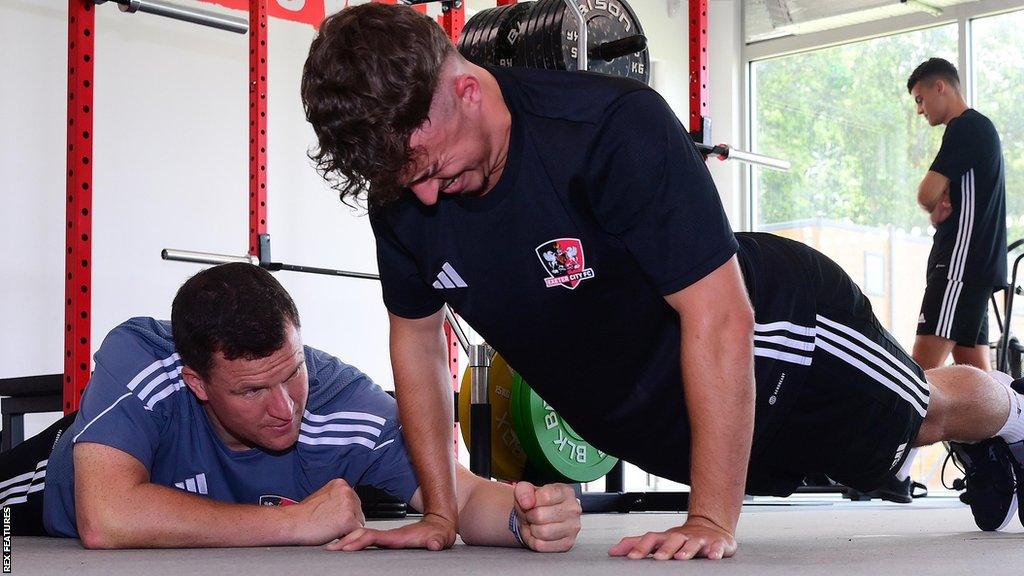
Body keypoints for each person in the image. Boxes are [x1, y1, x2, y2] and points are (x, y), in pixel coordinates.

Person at [300, 3, 1024, 560]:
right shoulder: (400, 200)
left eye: (429, 167)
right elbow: (419, 345)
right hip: (650, 412)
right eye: (405, 180)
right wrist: (439, 510)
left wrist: (710, 517)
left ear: (464, 89)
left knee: (917, 412)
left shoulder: (607, 129)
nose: (424, 198)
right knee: (856, 466)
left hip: (777, 334)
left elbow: (721, 317)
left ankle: (1012, 417)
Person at [0, 263, 582, 552]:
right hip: (33, 497)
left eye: (292, 373)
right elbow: (105, 518)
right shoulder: (143, 358)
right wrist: (293, 522)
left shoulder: (341, 399)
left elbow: (461, 498)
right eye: (252, 391)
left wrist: (522, 518)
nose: (285, 408)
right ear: (197, 383)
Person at [908, 57, 1008, 371]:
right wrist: (938, 205)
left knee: (919, 379)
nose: (920, 110)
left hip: (959, 268)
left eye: (920, 99)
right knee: (978, 384)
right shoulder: (977, 129)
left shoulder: (966, 126)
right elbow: (940, 200)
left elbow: (926, 194)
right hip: (974, 270)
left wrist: (933, 204)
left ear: (941, 87)